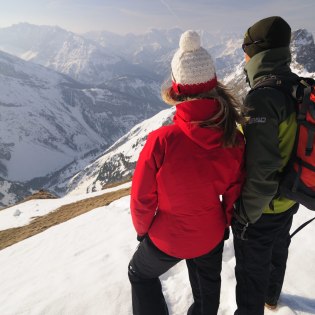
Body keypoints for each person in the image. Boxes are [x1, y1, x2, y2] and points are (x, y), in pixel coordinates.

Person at [128, 30, 245, 315]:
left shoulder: (163, 141)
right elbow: (233, 193)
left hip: (167, 237)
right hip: (211, 234)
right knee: (206, 294)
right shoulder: (233, 137)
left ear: (178, 87)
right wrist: (223, 224)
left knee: (139, 273)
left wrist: (144, 232)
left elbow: (142, 199)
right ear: (214, 84)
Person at [232, 16, 300, 315]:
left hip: (262, 208)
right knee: (278, 252)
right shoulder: (299, 87)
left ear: (256, 53)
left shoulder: (262, 99)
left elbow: (262, 167)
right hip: (291, 196)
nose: (243, 58)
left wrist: (244, 215)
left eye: (245, 52)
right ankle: (272, 299)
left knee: (250, 274)